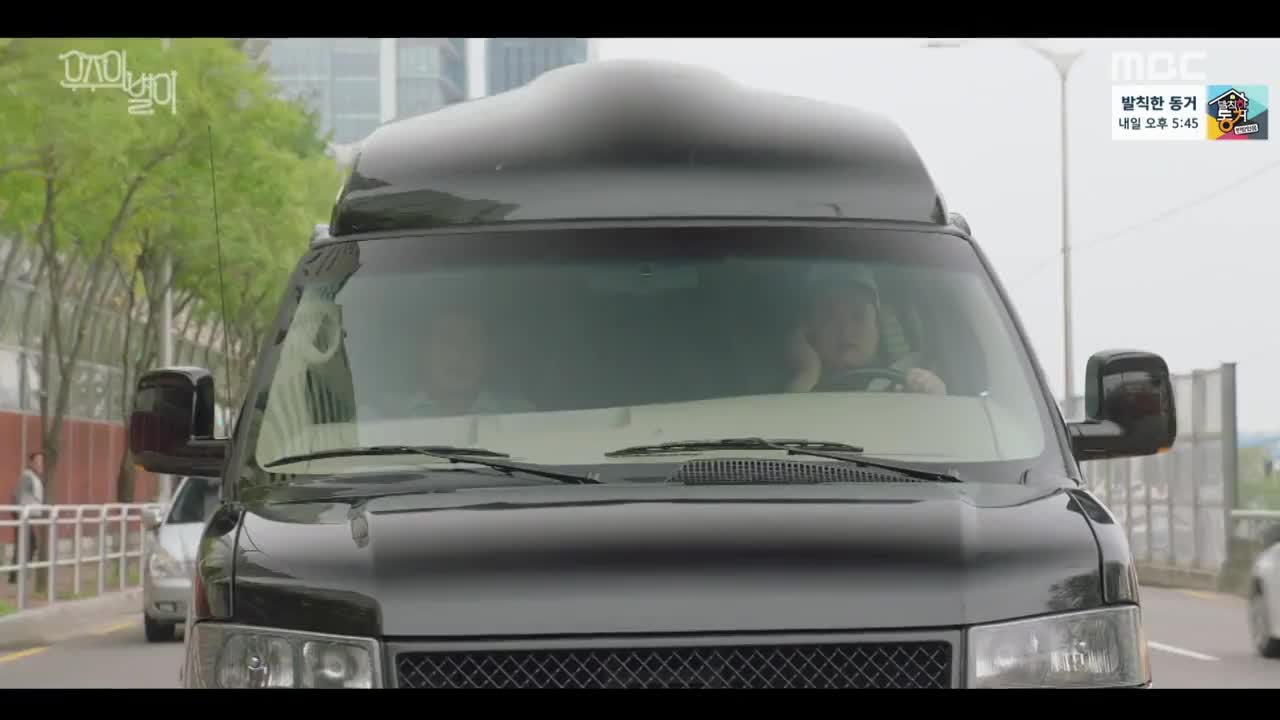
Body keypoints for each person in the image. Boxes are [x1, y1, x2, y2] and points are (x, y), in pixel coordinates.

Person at [784, 267, 947, 395]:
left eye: (858, 317)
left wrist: (931, 391)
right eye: (829, 318)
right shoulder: (792, 384)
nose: (845, 329)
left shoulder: (905, 380)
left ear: (877, 327)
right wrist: (808, 373)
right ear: (810, 331)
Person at [410, 305, 534, 417]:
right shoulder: (398, 414)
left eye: (471, 341)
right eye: (446, 341)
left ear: (488, 352)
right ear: (424, 351)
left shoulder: (522, 413)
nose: (458, 354)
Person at [7, 451, 44, 584]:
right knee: (27, 544)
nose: (41, 465)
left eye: (42, 462)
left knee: (27, 544)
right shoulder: (27, 477)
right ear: (31, 463)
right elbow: (18, 495)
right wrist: (20, 514)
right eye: (38, 462)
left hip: (27, 516)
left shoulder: (34, 478)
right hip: (22, 515)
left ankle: (17, 575)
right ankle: (17, 576)